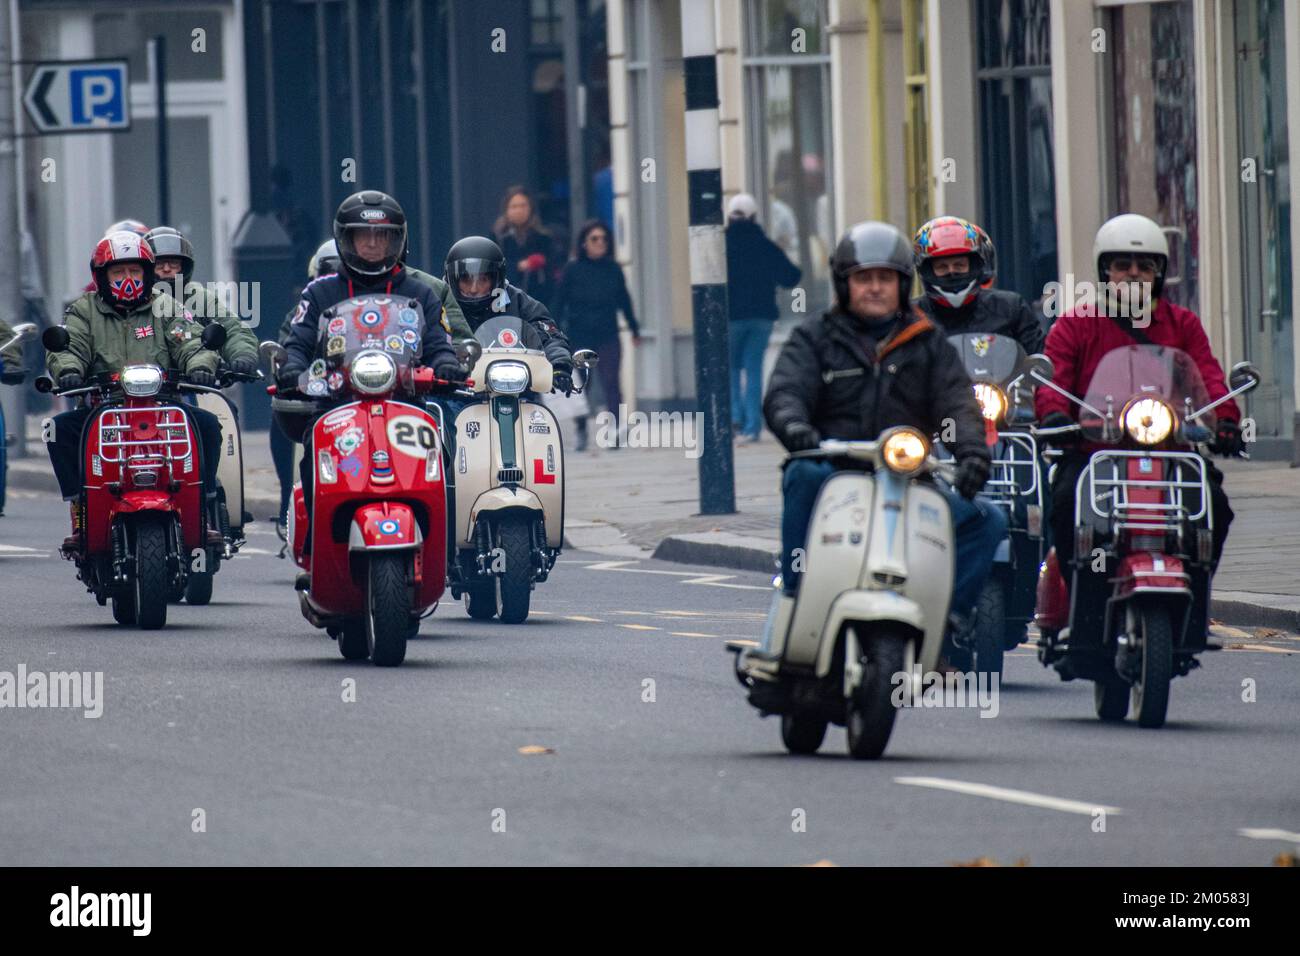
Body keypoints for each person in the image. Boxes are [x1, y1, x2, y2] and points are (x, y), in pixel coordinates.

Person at [762, 221, 1006, 627]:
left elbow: (958, 402)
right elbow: (785, 391)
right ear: (844, 285)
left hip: (909, 479)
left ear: (902, 284)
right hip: (834, 472)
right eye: (863, 279)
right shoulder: (814, 338)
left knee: (988, 520)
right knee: (800, 474)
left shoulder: (927, 342)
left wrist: (972, 454)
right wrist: (795, 427)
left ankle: (947, 622)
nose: (875, 288)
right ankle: (796, 593)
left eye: (885, 279)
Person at [1036, 213, 1242, 638]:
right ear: (1103, 270)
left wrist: (1225, 421)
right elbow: (1054, 378)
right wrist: (1056, 415)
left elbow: (1208, 376)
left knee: (1215, 508)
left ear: (1159, 273)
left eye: (1144, 266)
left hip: (1171, 452)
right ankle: (1081, 609)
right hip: (1096, 452)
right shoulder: (1076, 324)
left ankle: (1194, 612)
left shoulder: (1182, 324)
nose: (1133, 274)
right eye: (1122, 265)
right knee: (1063, 505)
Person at [278, 191, 463, 513]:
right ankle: (316, 546)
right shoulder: (319, 292)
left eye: (384, 236)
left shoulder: (421, 293)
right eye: (363, 235)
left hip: (406, 402)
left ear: (399, 241)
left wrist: (446, 362)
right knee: (313, 452)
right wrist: (292, 366)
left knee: (440, 457)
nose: (373, 244)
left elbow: (438, 340)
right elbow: (299, 340)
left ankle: (447, 561)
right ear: (344, 239)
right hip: (337, 402)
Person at [46, 231, 223, 551]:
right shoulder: (84, 310)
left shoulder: (165, 305)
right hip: (106, 405)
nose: (127, 278)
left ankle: (201, 512)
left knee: (208, 426)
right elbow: (67, 348)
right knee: (57, 431)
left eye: (134, 271)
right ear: (102, 277)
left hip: (164, 405)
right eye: (118, 272)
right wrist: (69, 371)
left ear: (147, 273)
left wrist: (201, 363)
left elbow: (191, 341)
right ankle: (80, 513)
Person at [550, 219, 638, 450]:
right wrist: (552, 331)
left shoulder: (613, 269)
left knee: (611, 381)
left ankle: (616, 428)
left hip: (608, 333)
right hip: (580, 336)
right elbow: (560, 302)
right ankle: (581, 430)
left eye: (604, 239)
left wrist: (634, 327)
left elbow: (624, 300)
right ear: (584, 243)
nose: (600, 243)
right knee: (581, 386)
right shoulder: (572, 270)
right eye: (594, 239)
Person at [724, 194, 801, 443]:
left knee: (731, 368)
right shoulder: (765, 245)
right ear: (755, 216)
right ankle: (753, 426)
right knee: (754, 368)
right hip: (762, 317)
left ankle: (734, 417)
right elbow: (792, 276)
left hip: (731, 316)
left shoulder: (720, 245)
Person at [911, 215, 1044, 355]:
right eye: (942, 267)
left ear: (975, 265)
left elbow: (1040, 362)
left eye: (959, 265)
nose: (952, 272)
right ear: (926, 271)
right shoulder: (910, 317)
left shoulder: (1011, 309)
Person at [144, 226, 260, 376]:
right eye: (159, 264)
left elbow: (232, 328)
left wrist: (242, 354)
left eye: (173, 263)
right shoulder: (135, 301)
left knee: (219, 401)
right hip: (140, 388)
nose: (166, 269)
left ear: (184, 266)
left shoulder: (200, 298)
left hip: (197, 385)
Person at [492, 185, 558, 307]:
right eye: (514, 206)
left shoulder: (543, 238)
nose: (519, 210)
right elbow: (492, 271)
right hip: (506, 301)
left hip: (536, 300)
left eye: (523, 206)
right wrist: (519, 266)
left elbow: (552, 272)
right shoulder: (498, 238)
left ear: (530, 208)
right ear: (506, 210)